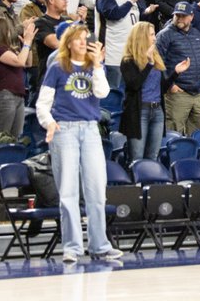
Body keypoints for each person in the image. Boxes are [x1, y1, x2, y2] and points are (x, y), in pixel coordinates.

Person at [34, 24, 123, 262]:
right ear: (69, 42)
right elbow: (43, 103)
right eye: (78, 39)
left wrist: (98, 65)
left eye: (86, 39)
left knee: (97, 190)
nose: (84, 42)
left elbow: (103, 93)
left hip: (90, 129)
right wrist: (49, 122)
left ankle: (99, 245)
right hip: (64, 129)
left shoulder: (95, 66)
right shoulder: (57, 67)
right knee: (68, 192)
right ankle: (72, 247)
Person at [154, 2, 200, 135]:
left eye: (183, 16)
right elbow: (158, 62)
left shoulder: (197, 34)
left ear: (191, 16)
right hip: (178, 93)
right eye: (177, 15)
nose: (179, 19)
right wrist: (170, 85)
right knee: (174, 134)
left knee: (199, 135)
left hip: (198, 92)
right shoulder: (164, 35)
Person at [0, 14, 34, 139]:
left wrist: (28, 45)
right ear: (1, 31)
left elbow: (28, 63)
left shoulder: (8, 49)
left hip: (18, 96)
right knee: (3, 136)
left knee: (15, 137)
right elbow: (20, 61)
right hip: (6, 95)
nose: (10, 31)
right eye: (7, 28)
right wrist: (27, 43)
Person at [120, 22, 167, 162]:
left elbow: (162, 88)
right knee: (137, 159)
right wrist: (149, 65)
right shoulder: (128, 61)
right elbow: (134, 85)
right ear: (141, 37)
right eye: (151, 35)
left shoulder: (156, 58)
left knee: (153, 157)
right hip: (139, 112)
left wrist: (176, 73)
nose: (154, 38)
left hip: (157, 111)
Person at [93, 0, 142, 90]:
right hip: (112, 54)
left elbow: (132, 17)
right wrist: (130, 2)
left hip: (129, 53)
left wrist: (147, 11)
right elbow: (114, 14)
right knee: (113, 92)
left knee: (128, 93)